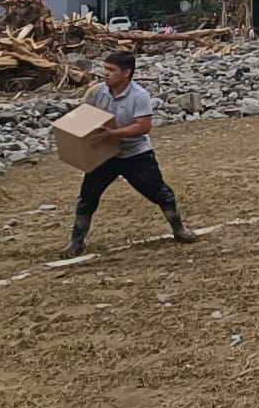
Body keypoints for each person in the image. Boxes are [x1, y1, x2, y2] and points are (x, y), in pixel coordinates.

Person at [62, 51, 197, 256]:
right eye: (105, 69)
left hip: (135, 154)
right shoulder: (97, 91)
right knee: (87, 197)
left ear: (126, 73)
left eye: (111, 70)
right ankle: (77, 241)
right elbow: (84, 116)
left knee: (160, 193)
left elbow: (143, 127)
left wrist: (113, 134)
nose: (105, 74)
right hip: (105, 155)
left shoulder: (139, 95)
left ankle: (179, 229)